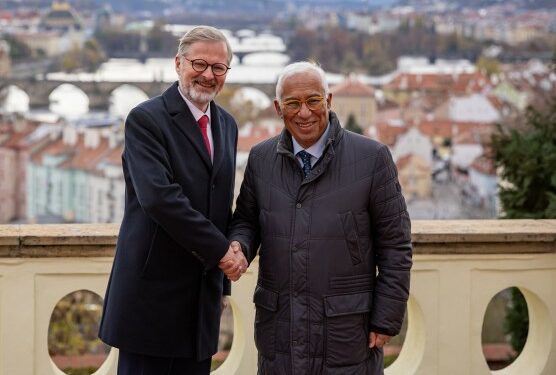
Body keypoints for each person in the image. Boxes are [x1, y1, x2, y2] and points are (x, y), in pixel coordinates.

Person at [228, 61, 413, 374]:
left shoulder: (372, 158)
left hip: (347, 333)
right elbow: (246, 220)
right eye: (293, 103)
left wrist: (387, 318)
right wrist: (239, 246)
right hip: (280, 331)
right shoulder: (260, 159)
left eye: (313, 101)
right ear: (277, 107)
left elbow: (396, 246)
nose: (304, 112)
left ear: (328, 100)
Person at [99, 26, 248, 375]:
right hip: (152, 301)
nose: (208, 75)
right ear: (178, 63)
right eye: (199, 63)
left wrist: (224, 277)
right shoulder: (146, 119)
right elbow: (160, 199)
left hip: (201, 304)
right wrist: (222, 252)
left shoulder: (227, 125)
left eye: (219, 68)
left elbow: (221, 203)